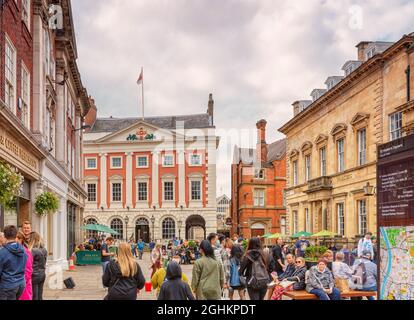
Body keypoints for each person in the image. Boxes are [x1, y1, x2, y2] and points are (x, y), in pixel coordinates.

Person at [0, 225, 28, 300]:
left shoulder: (2, 252)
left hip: (7, 286)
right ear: (16, 235)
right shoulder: (23, 250)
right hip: (21, 284)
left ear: (5, 236)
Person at [28, 232, 48, 300]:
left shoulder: (32, 250)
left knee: (34, 296)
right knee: (40, 295)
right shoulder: (44, 249)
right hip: (42, 274)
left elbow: (29, 264)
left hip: (34, 275)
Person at [16, 232, 33, 300]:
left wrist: (20, 283)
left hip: (23, 286)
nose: (16, 241)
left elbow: (28, 271)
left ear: (21, 240)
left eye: (18, 239)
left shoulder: (26, 252)